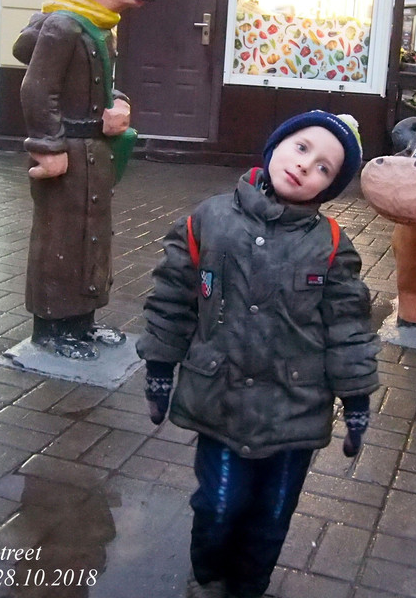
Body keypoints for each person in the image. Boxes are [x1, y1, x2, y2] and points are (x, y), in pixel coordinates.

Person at [136, 110, 380, 598]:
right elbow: (172, 299)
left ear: (330, 188)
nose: (306, 165)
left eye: (325, 168)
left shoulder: (331, 245)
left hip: (296, 409)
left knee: (272, 515)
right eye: (302, 147)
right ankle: (209, 575)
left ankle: (249, 586)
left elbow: (348, 327)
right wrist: (160, 368)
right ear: (276, 146)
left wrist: (356, 400)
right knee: (219, 503)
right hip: (220, 400)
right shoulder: (209, 220)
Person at [14, 0, 181, 359]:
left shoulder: (102, 27)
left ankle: (81, 322)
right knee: (59, 240)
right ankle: (51, 329)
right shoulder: (65, 26)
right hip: (68, 152)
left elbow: (101, 85)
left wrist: (119, 105)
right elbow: (37, 89)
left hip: (95, 153)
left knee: (92, 237)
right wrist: (48, 148)